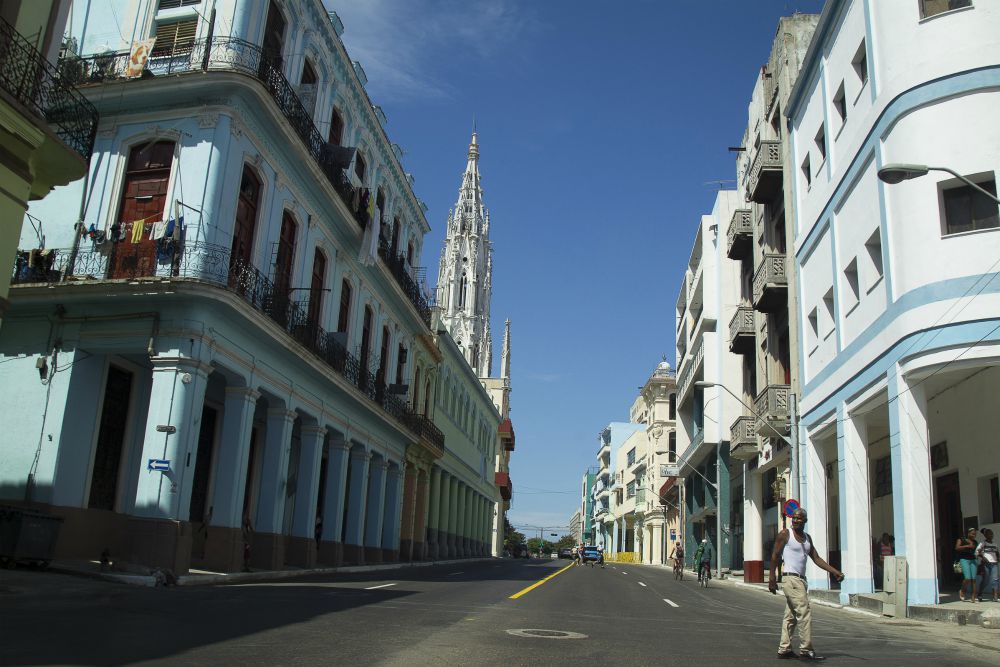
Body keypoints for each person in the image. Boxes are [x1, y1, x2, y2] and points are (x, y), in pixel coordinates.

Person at [769, 507, 845, 661]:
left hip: (801, 580)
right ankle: (806, 649)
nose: (796, 520)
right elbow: (775, 555)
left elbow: (816, 558)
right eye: (794, 518)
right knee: (804, 612)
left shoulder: (807, 538)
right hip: (791, 579)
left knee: (790, 616)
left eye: (799, 518)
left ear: (805, 521)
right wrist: (772, 578)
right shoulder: (785, 534)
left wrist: (834, 571)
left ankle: (784, 649)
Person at [955, 527, 978, 602]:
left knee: (973, 579)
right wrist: (967, 546)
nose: (974, 535)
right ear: (968, 533)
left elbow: (975, 551)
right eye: (972, 533)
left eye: (975, 534)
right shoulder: (961, 539)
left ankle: (973, 596)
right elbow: (957, 548)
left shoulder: (975, 542)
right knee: (967, 578)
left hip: (973, 560)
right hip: (964, 559)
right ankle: (962, 591)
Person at [975, 528, 998, 602]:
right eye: (988, 533)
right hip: (986, 564)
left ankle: (995, 597)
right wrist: (983, 558)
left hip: (994, 564)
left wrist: (998, 558)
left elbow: (997, 553)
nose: (990, 535)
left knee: (995, 580)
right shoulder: (983, 543)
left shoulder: (995, 544)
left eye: (991, 533)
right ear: (985, 535)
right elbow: (977, 552)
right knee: (986, 581)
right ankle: (980, 594)